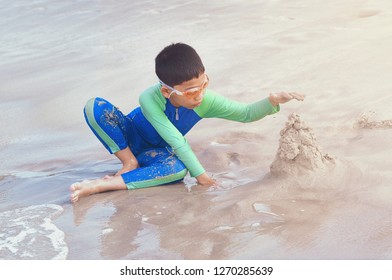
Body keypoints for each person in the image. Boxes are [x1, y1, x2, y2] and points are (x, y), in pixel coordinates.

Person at [70, 43, 305, 203]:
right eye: (192, 91)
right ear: (166, 90)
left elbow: (245, 113)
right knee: (95, 106)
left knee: (177, 170)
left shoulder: (206, 100)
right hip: (128, 136)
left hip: (156, 152)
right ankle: (128, 162)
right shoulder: (149, 98)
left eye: (204, 84)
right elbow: (176, 139)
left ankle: (106, 184)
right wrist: (202, 176)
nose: (200, 95)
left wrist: (271, 101)